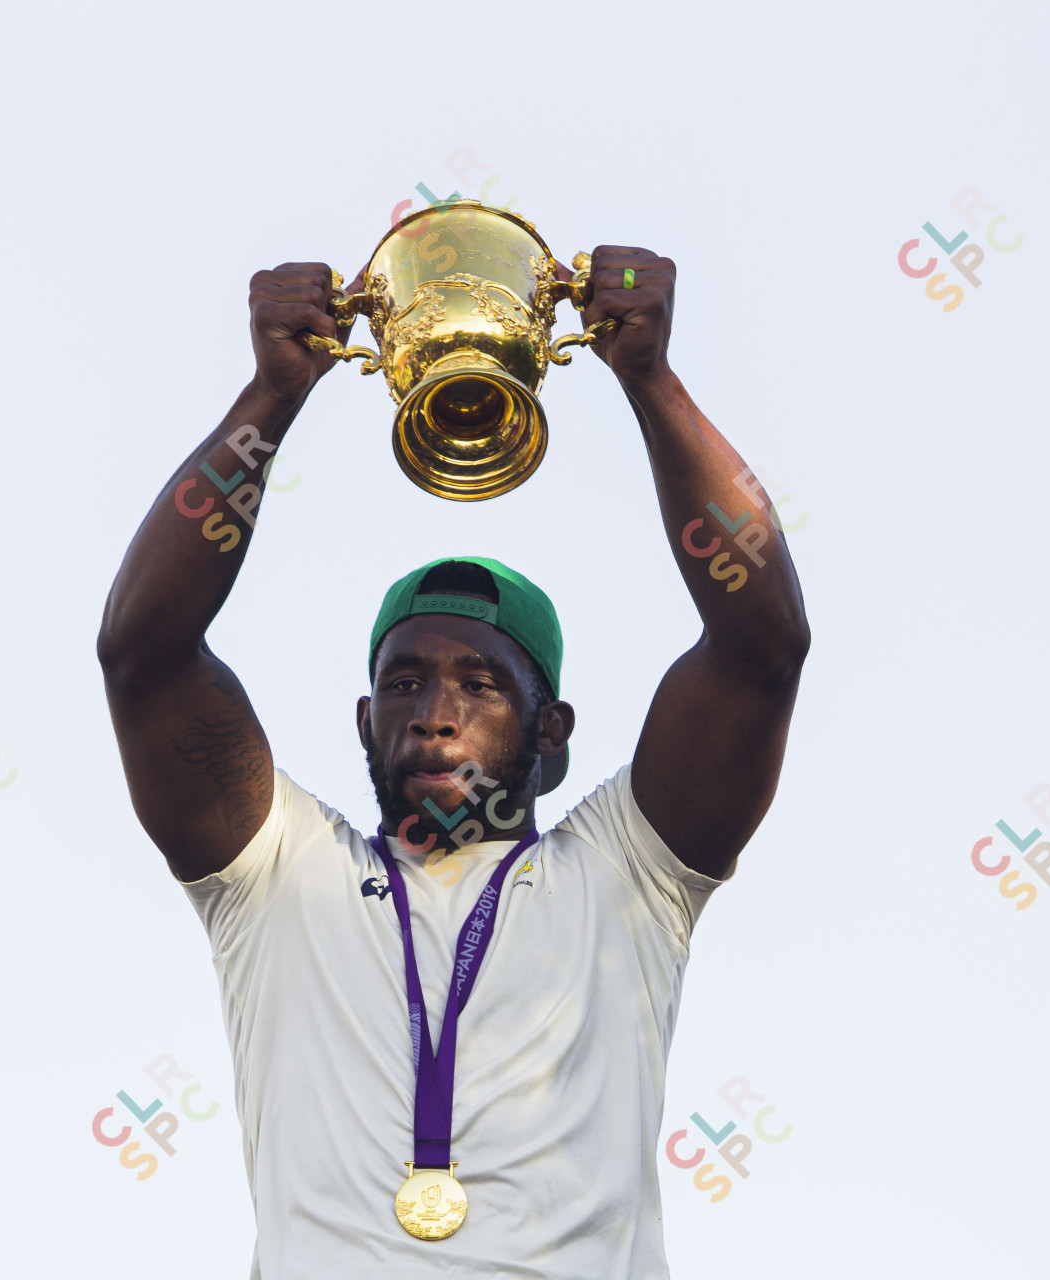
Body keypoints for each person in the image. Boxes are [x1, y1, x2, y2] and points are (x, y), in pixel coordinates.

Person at [97, 245, 810, 1278]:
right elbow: (143, 653)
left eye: (480, 684)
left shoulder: (626, 873)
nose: (434, 714)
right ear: (361, 719)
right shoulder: (278, 874)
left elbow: (763, 645)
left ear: (550, 730)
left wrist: (651, 382)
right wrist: (271, 396)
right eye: (403, 683)